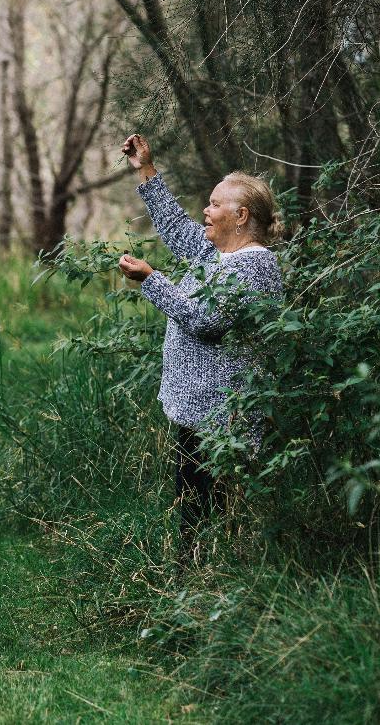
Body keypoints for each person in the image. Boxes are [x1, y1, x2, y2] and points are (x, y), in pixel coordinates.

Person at [116, 134, 284, 545]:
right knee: (193, 504)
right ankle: (197, 579)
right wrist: (145, 168)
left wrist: (151, 280)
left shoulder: (254, 264)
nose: (205, 212)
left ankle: (211, 582)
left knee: (211, 508)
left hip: (222, 415)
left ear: (241, 215)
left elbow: (207, 320)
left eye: (214, 205)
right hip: (200, 410)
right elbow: (175, 230)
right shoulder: (218, 255)